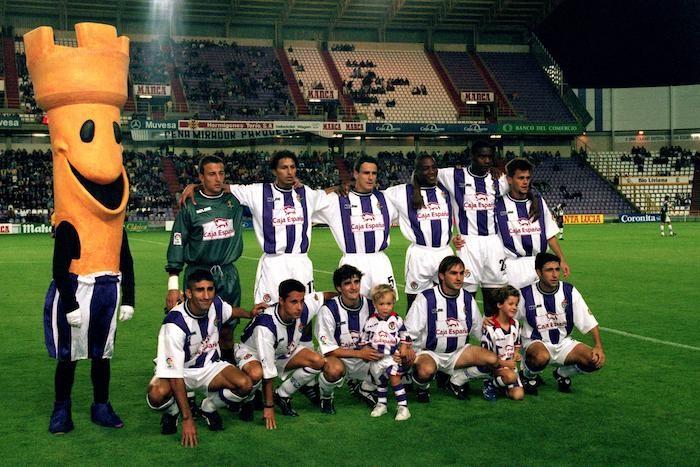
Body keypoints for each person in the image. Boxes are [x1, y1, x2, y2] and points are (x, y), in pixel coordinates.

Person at [181, 151, 329, 304]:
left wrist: (346, 185)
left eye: (292, 167)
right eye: (284, 168)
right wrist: (196, 186)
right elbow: (222, 187)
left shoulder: (306, 193)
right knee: (269, 309)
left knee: (305, 306)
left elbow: (326, 195)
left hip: (301, 262)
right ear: (274, 171)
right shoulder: (257, 192)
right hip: (273, 264)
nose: (289, 172)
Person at [146, 270, 266, 445]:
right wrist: (187, 419)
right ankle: (173, 411)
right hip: (181, 371)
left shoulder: (215, 304)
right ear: (188, 293)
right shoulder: (174, 324)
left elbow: (231, 311)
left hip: (209, 367)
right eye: (200, 290)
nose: (206, 295)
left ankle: (208, 407)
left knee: (245, 385)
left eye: (210, 289)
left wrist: (249, 313)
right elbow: (176, 375)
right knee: (156, 395)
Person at [166, 155, 245, 364]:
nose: (218, 179)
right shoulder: (190, 205)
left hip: (228, 275)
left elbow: (270, 191)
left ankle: (228, 376)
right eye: (211, 174)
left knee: (228, 329)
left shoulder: (235, 200)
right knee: (193, 329)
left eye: (221, 173)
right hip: (198, 275)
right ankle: (187, 379)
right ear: (201, 177)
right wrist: (173, 285)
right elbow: (177, 243)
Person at [235, 279, 334, 429]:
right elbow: (268, 372)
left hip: (282, 353)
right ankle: (247, 400)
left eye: (301, 301)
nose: (299, 307)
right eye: (293, 302)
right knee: (257, 373)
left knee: (318, 361)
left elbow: (324, 296)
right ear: (281, 300)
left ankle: (282, 395)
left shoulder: (303, 308)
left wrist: (349, 295)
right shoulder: (266, 326)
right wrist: (268, 407)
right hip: (252, 353)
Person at [405, 256, 500, 402]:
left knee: (492, 359)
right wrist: (407, 349)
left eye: (461, 273)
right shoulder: (426, 298)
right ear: (442, 276)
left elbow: (477, 330)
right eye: (453, 273)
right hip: (430, 353)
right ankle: (422, 388)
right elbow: (410, 330)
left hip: (458, 353)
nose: (459, 278)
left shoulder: (467, 299)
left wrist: (496, 334)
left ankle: (457, 380)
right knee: (425, 371)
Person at [517, 253, 606, 395]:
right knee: (541, 357)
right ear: (538, 272)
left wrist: (598, 346)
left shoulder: (569, 291)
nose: (554, 274)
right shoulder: (525, 294)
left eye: (557, 269)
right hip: (535, 343)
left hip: (563, 343)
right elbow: (509, 320)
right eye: (549, 270)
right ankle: (528, 376)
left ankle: (562, 373)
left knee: (594, 360)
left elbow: (589, 320)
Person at [438, 140, 509, 316]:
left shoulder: (498, 179)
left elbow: (523, 186)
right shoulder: (453, 175)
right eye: (482, 156)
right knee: (464, 295)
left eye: (489, 157)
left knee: (494, 295)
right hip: (468, 242)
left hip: (493, 242)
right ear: (472, 156)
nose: (486, 161)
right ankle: (463, 339)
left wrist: (536, 202)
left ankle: (492, 340)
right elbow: (422, 172)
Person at [318, 155, 398, 298]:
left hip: (380, 262)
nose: (371, 177)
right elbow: (309, 200)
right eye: (366, 173)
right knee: (352, 308)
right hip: (352, 262)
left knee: (384, 307)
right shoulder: (338, 199)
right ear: (356, 174)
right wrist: (335, 187)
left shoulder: (386, 199)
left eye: (374, 173)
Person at [384, 154, 453, 308]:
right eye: (426, 168)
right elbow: (375, 196)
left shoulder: (446, 188)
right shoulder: (401, 192)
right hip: (420, 255)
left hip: (445, 253)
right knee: (415, 303)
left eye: (434, 167)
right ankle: (412, 332)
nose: (431, 172)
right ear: (417, 171)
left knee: (446, 302)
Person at [494, 158, 570, 290]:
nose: (525, 182)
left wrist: (561, 259)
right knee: (516, 308)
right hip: (514, 266)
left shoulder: (538, 202)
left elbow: (550, 234)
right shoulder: (498, 205)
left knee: (541, 307)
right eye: (520, 178)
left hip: (539, 264)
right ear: (510, 180)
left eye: (528, 178)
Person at [315, 265, 381, 414]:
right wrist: (360, 354)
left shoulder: (372, 305)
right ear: (339, 288)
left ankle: (365, 388)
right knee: (333, 370)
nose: (353, 287)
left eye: (356, 282)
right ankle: (326, 396)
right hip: (339, 358)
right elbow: (328, 349)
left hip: (364, 358)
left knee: (392, 359)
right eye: (347, 283)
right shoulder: (328, 310)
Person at [362, 284, 412, 421]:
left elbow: (405, 337)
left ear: (393, 303)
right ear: (375, 304)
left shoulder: (396, 320)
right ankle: (381, 404)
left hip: (392, 357)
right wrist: (367, 349)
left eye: (389, 304)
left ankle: (403, 407)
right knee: (381, 381)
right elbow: (364, 340)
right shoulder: (370, 322)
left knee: (394, 378)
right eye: (381, 304)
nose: (385, 307)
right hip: (376, 359)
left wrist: (403, 348)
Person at [481, 285, 524, 402]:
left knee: (518, 396)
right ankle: (490, 384)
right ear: (499, 305)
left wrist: (516, 353)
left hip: (510, 367)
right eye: (510, 304)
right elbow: (485, 358)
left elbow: (516, 344)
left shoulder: (516, 324)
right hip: (495, 368)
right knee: (510, 377)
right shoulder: (490, 328)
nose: (514, 307)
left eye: (516, 304)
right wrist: (503, 363)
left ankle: (502, 386)